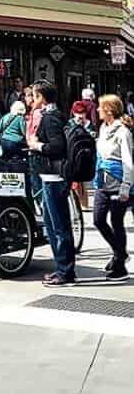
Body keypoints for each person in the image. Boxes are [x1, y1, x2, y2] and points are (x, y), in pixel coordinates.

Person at [27, 81, 76, 286]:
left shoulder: (50, 118)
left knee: (58, 226)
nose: (31, 100)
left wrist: (36, 145)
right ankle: (62, 269)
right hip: (53, 177)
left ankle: (64, 271)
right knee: (54, 224)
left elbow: (57, 146)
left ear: (42, 98)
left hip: (53, 178)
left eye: (35, 96)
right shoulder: (57, 115)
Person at [93, 94, 133, 281]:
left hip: (118, 184)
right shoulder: (103, 128)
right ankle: (120, 253)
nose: (98, 110)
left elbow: (128, 161)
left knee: (117, 223)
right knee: (98, 220)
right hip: (102, 183)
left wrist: (126, 185)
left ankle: (120, 266)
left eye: (101, 107)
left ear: (109, 110)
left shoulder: (123, 132)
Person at [68, 100, 96, 210]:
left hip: (87, 155)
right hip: (75, 154)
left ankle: (84, 203)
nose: (80, 115)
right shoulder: (70, 123)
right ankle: (80, 204)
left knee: (84, 179)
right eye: (77, 113)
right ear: (73, 113)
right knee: (76, 181)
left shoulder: (90, 124)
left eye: (82, 113)